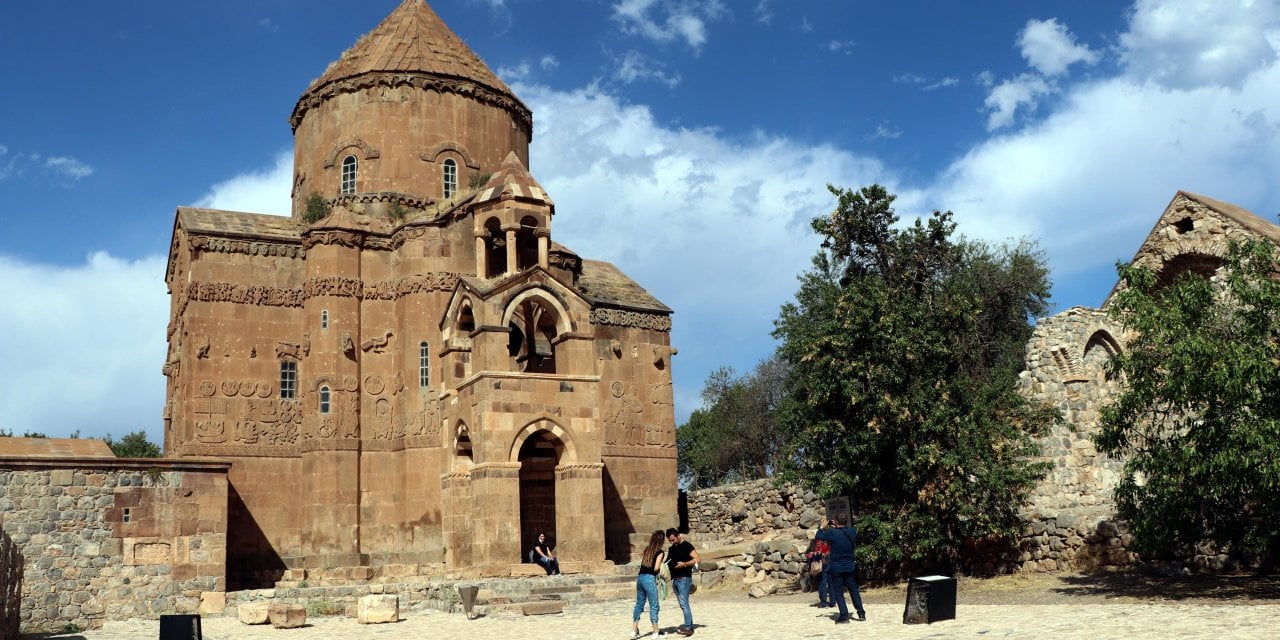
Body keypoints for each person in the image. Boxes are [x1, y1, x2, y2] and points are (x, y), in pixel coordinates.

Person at [816, 517, 866, 623]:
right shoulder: (852, 531)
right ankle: (861, 613)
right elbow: (846, 533)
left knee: (838, 591)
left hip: (837, 567)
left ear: (836, 521)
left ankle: (844, 615)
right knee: (854, 590)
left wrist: (822, 527)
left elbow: (819, 536)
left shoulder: (831, 533)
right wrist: (838, 527)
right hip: (850, 566)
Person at [632, 530, 667, 640]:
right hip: (649, 579)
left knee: (639, 604)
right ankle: (656, 632)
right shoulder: (660, 552)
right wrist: (662, 566)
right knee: (654, 605)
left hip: (640, 578)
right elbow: (656, 567)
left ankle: (634, 630)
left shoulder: (647, 550)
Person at [665, 528, 700, 636]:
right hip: (675, 579)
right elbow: (668, 562)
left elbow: (697, 559)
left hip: (684, 578)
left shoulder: (687, 546)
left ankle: (688, 627)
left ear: (678, 536)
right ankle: (689, 625)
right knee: (682, 604)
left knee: (684, 603)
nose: (672, 542)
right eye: (670, 540)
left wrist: (684, 564)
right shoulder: (671, 549)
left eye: (673, 539)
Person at [805, 530, 833, 607]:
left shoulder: (819, 542)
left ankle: (824, 602)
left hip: (823, 563)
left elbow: (819, 553)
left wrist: (811, 554)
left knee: (822, 583)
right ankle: (833, 601)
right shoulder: (830, 539)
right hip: (831, 562)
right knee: (831, 582)